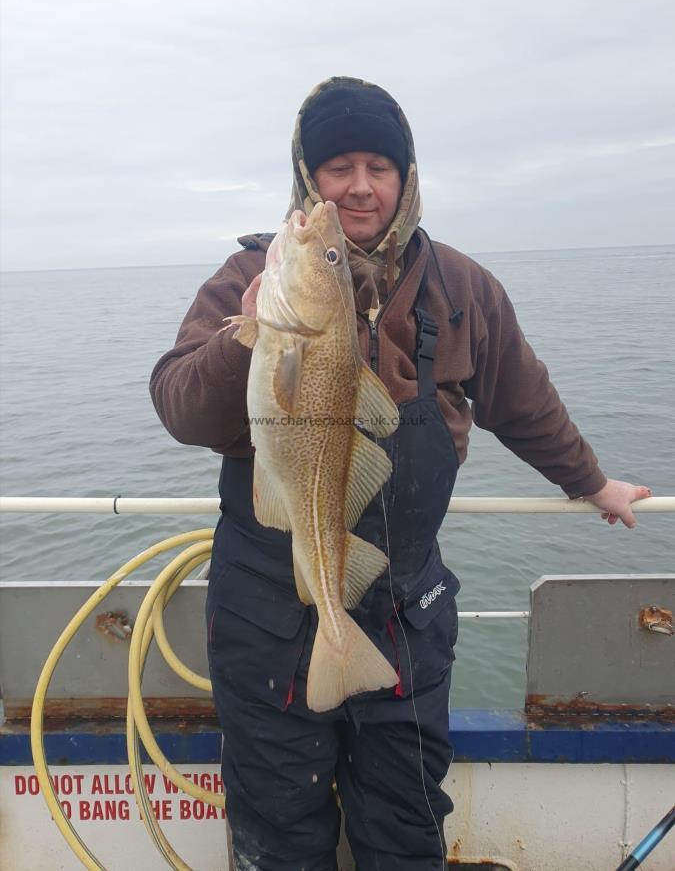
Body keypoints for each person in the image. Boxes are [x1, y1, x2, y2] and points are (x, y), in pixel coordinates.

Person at [149, 76, 650, 871]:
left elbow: (520, 400)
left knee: (406, 823)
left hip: (402, 605)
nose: (357, 185)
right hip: (266, 601)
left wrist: (591, 482)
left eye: (377, 165)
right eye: (336, 166)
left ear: (406, 176)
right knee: (276, 826)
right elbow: (179, 409)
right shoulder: (249, 276)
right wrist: (247, 336)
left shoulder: (458, 285)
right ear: (306, 180)